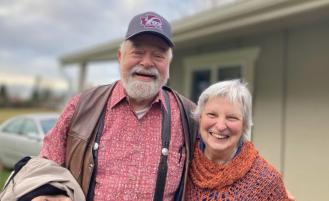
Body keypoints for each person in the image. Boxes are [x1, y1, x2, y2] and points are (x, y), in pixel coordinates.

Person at [35, 11, 198, 201]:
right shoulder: (81, 105)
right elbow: (46, 164)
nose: (146, 62)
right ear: (120, 57)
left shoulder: (189, 115)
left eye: (158, 55)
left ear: (168, 63)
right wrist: (52, 194)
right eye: (137, 52)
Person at [185, 79, 290, 201]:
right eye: (212, 115)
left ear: (244, 125)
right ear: (200, 117)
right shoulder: (182, 163)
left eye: (231, 117)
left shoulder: (266, 181)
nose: (220, 126)